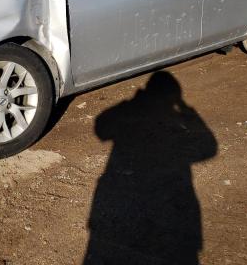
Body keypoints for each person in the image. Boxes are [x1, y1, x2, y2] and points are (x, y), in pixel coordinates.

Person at [85, 71, 218, 265]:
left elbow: (101, 128)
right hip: (162, 203)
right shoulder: (172, 118)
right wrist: (188, 110)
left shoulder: (134, 111)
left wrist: (129, 105)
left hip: (129, 200)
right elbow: (209, 148)